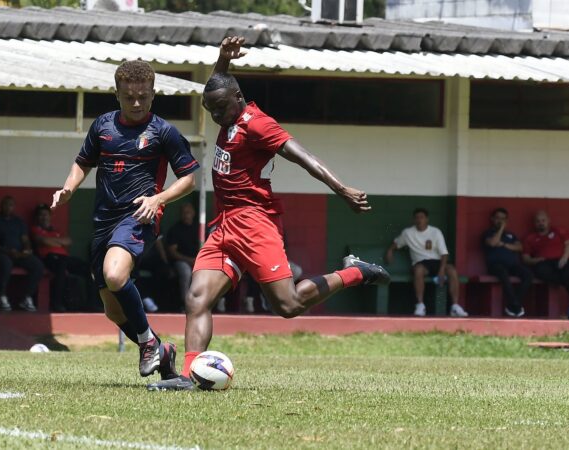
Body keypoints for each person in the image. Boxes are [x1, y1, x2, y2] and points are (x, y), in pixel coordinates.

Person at [147, 36, 389, 391]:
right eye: (210, 110)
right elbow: (218, 87)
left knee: (288, 304)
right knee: (197, 297)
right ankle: (188, 375)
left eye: (218, 110)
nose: (214, 117)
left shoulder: (258, 124)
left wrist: (342, 189)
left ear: (238, 100)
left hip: (255, 222)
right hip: (225, 224)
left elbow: (303, 156)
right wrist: (222, 61)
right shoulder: (225, 104)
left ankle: (355, 272)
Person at [50, 60, 200, 380]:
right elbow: (82, 163)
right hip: (103, 222)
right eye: (129, 96)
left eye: (143, 97)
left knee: (116, 275)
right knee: (113, 310)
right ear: (116, 94)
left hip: (139, 216)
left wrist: (158, 199)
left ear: (153, 94)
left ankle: (147, 345)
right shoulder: (102, 126)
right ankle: (161, 350)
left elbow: (189, 179)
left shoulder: (163, 131)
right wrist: (68, 188)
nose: (136, 103)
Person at [385, 208, 468, 317]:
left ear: (427, 219)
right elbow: (396, 243)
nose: (419, 220)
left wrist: (442, 271)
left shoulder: (435, 232)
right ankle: (420, 305)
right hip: (420, 263)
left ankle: (455, 307)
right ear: (414, 220)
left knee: (452, 270)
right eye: (417, 218)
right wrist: (390, 251)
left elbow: (444, 253)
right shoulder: (408, 233)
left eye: (422, 217)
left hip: (437, 262)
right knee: (418, 270)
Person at [31, 204, 97, 312]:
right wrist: (58, 242)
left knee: (88, 268)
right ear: (37, 217)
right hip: (49, 258)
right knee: (61, 269)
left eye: (46, 215)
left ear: (50, 216)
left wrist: (51, 241)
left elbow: (68, 241)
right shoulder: (35, 229)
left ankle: (91, 304)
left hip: (64, 258)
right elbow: (43, 241)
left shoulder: (56, 230)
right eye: (41, 215)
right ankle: (57, 304)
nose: (44, 217)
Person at [522, 210, 569, 319]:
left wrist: (564, 258)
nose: (541, 223)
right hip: (544, 263)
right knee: (542, 272)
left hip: (563, 260)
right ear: (534, 223)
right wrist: (535, 260)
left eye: (543, 220)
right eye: (538, 221)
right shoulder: (530, 238)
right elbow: (526, 258)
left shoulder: (559, 230)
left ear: (549, 221)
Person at [0, 196, 43, 312]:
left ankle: (26, 297)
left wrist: (27, 250)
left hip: (19, 254)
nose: (8, 208)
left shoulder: (18, 222)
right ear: (1, 206)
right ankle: (2, 296)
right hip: (3, 253)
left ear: (14, 207)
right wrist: (8, 251)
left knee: (37, 265)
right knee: (6, 264)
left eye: (11, 205)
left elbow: (25, 239)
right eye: (5, 205)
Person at [482, 207, 532, 317]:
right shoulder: (488, 233)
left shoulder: (511, 235)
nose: (500, 221)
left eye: (503, 219)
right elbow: (493, 243)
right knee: (503, 274)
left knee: (528, 275)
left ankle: (514, 303)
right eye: (498, 218)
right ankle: (515, 305)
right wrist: (501, 229)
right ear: (492, 219)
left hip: (512, 265)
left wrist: (504, 245)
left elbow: (519, 247)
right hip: (495, 266)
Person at [166, 202, 199, 308]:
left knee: (205, 273)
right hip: (181, 261)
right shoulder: (175, 229)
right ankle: (186, 304)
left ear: (193, 213)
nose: (186, 214)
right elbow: (172, 252)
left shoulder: (200, 228)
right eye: (184, 212)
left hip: (198, 260)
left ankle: (201, 304)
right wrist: (189, 260)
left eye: (188, 212)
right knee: (186, 272)